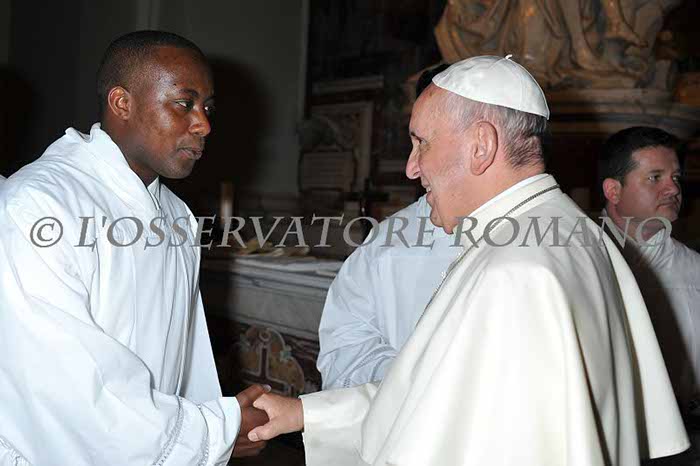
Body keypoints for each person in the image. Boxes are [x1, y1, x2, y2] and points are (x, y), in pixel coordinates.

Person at [245, 56, 689, 466]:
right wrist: (306, 413)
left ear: (481, 145)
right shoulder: (570, 230)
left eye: (422, 143)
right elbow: (441, 392)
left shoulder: (514, 270)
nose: (411, 168)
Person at [0, 31, 268, 465]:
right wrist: (212, 433)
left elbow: (186, 366)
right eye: (184, 103)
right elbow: (62, 389)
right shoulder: (38, 207)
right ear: (122, 103)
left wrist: (209, 429)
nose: (203, 124)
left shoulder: (176, 217)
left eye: (207, 108)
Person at [318, 63, 457, 389]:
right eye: (415, 141)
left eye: (425, 143)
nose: (411, 168)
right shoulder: (388, 239)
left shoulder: (547, 233)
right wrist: (416, 383)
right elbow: (344, 347)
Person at [600, 126, 700, 415]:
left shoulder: (694, 269)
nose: (673, 189)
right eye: (655, 177)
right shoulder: (580, 259)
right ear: (613, 191)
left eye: (675, 178)